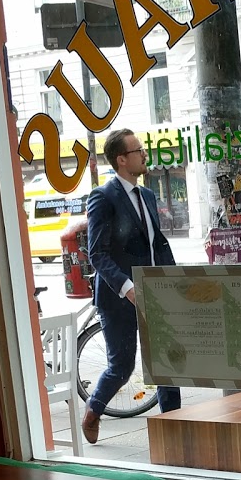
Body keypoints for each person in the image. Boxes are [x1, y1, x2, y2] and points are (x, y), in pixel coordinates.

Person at [81, 127, 181, 444]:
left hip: (155, 293)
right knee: (121, 368)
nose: (144, 155)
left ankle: (173, 431)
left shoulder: (147, 196)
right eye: (138, 150)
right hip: (119, 298)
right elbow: (97, 254)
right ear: (122, 159)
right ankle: (94, 409)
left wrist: (174, 283)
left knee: (167, 365)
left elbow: (157, 246)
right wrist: (128, 288)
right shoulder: (103, 197)